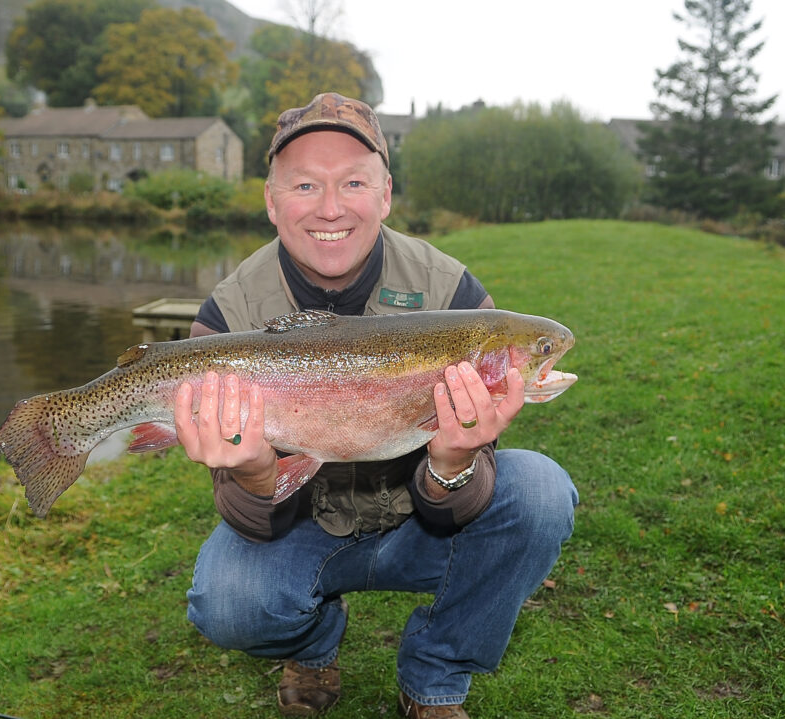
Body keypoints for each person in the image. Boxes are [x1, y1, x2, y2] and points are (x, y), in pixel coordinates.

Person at [173, 92, 578, 719]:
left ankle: (434, 679)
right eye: (305, 184)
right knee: (227, 599)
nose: (331, 208)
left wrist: (452, 460)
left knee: (541, 492)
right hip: (299, 531)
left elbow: (455, 509)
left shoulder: (454, 295)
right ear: (271, 201)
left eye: (353, 182)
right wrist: (254, 474)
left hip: (419, 525)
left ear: (385, 195)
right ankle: (311, 646)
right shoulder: (229, 317)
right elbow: (251, 518)